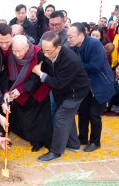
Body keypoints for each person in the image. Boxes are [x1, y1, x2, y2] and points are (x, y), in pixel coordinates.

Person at [32, 31, 90, 161]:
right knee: (67, 117)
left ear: (58, 47)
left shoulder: (70, 60)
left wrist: (40, 73)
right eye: (43, 50)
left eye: (49, 51)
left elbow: (58, 83)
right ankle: (74, 145)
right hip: (64, 91)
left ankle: (56, 152)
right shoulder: (48, 52)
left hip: (76, 92)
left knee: (61, 117)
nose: (45, 54)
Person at [67, 22, 115, 152]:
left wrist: (76, 66)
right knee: (83, 112)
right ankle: (82, 138)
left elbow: (95, 66)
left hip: (101, 84)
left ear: (81, 35)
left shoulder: (95, 44)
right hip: (86, 85)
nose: (68, 39)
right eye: (67, 37)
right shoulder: (74, 47)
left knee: (94, 114)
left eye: (70, 37)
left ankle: (95, 141)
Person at [3, 35, 52, 152]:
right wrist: (6, 90)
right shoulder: (9, 54)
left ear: (27, 47)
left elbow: (36, 76)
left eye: (19, 51)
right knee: (22, 116)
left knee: (36, 118)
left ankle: (37, 141)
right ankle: (24, 134)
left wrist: (21, 89)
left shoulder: (39, 54)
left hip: (35, 89)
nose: (16, 54)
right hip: (16, 88)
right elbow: (5, 73)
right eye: (14, 50)